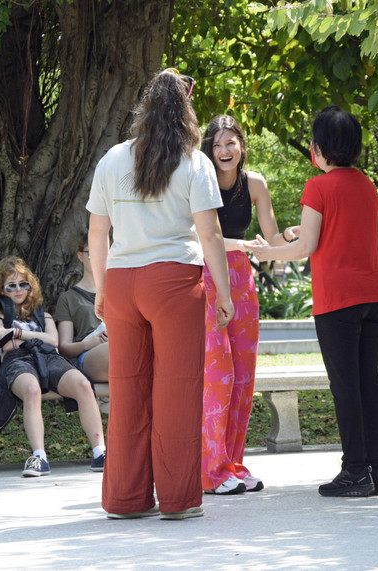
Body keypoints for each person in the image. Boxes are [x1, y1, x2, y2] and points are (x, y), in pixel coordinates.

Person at [87, 68, 234, 521]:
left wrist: (101, 288)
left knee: (127, 390)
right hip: (173, 283)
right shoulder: (194, 163)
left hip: (122, 282)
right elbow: (210, 235)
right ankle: (177, 500)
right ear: (185, 109)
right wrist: (224, 294)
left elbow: (97, 231)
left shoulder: (113, 158)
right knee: (177, 390)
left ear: (145, 106)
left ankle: (125, 500)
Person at [252, 105, 378, 498]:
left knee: (345, 386)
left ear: (318, 148)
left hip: (339, 300)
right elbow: (347, 235)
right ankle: (376, 470)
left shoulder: (318, 186)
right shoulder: (368, 186)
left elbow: (305, 248)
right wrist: (305, 233)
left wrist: (268, 253)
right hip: (375, 294)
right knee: (368, 384)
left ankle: (354, 471)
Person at [199, 115, 300, 495]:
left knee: (242, 378)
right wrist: (241, 245)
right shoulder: (199, 180)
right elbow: (201, 237)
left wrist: (290, 235)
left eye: (231, 143)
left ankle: (233, 465)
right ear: (208, 149)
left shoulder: (255, 183)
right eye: (217, 144)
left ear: (242, 145)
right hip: (207, 276)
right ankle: (210, 470)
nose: (224, 150)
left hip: (241, 279)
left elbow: (270, 238)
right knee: (218, 376)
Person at [0, 256, 106, 477]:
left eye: (23, 284)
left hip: (48, 358)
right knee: (32, 390)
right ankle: (39, 457)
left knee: (83, 385)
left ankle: (100, 453)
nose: (19, 290)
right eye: (11, 285)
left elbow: (54, 341)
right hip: (17, 361)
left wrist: (17, 332)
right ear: (1, 289)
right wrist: (34, 337)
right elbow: (3, 342)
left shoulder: (43, 314)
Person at [56, 237, 108, 383]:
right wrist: (89, 343)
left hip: (120, 344)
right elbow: (64, 348)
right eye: (91, 253)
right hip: (90, 354)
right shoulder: (68, 298)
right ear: (80, 256)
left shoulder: (118, 292)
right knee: (119, 349)